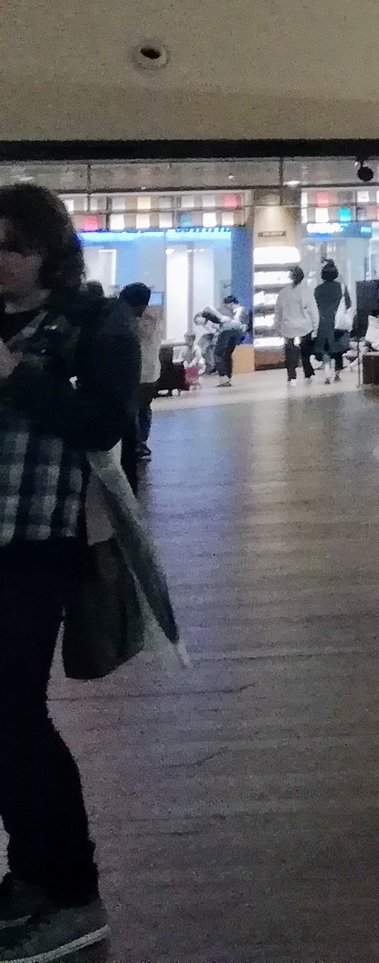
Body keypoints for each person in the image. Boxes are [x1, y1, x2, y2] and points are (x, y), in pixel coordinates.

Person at [0, 181, 139, 961]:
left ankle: (75, 892)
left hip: (37, 539)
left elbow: (110, 420)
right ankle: (28, 875)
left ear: (50, 251)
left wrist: (17, 376)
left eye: (12, 246)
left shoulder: (94, 321)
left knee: (14, 713)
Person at [115, 282, 159, 475]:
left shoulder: (140, 318)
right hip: (148, 371)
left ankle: (137, 444)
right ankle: (139, 443)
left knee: (136, 409)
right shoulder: (152, 315)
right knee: (142, 409)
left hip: (140, 371)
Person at [273, 264, 317, 384]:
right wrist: (315, 326)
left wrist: (277, 327)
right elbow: (313, 311)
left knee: (290, 352)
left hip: (288, 327)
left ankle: (291, 375)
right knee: (305, 352)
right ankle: (308, 373)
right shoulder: (306, 291)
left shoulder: (283, 293)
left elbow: (278, 312)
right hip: (304, 326)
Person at [312, 260, 347, 383]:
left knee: (326, 350)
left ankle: (327, 374)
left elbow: (314, 307)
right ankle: (337, 375)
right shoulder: (341, 287)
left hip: (323, 323)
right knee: (338, 350)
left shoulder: (318, 290)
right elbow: (348, 304)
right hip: (337, 323)